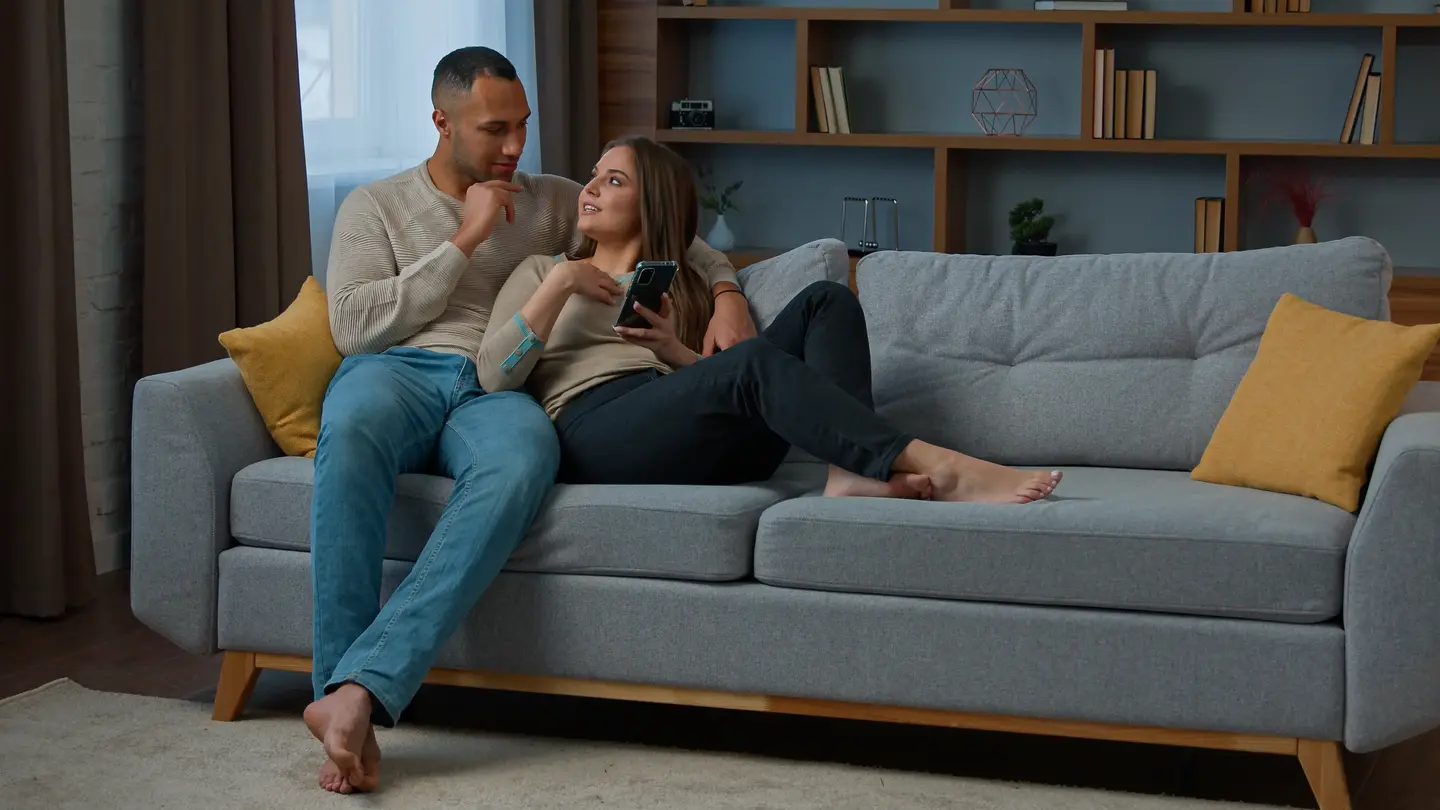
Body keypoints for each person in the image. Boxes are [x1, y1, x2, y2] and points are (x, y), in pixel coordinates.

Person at [303, 49, 756, 795]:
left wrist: (730, 289)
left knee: (523, 461)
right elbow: (355, 327)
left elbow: (673, 221)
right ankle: (339, 701)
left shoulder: (548, 198)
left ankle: (361, 691)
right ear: (441, 122)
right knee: (348, 436)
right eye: (494, 130)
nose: (514, 148)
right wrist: (464, 240)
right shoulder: (374, 206)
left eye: (522, 126)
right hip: (399, 371)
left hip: (498, 389)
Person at [476, 135, 1064, 504]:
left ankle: (849, 470)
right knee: (755, 360)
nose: (591, 187)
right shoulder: (541, 271)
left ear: (651, 201)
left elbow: (711, 383)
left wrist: (674, 352)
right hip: (593, 435)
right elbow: (492, 375)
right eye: (594, 174)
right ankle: (931, 461)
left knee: (824, 301)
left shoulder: (674, 285)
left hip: (679, 426)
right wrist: (559, 284)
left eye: (614, 179)